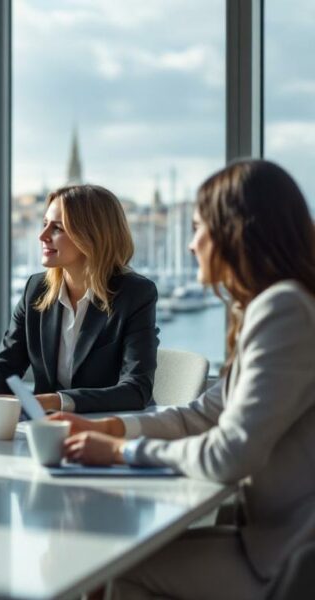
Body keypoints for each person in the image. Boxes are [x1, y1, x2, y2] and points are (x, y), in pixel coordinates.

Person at [52, 160, 315, 599]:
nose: (192, 245)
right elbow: (204, 414)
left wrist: (121, 451)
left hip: (289, 556)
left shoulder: (283, 309)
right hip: (272, 537)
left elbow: (230, 453)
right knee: (113, 564)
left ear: (234, 232)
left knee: (121, 572)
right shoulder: (274, 306)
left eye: (198, 228)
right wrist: (111, 427)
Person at [0, 184, 158, 420]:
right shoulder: (36, 290)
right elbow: (5, 365)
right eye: (44, 224)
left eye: (57, 228)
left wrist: (55, 400)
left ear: (91, 235)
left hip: (108, 429)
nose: (42, 236)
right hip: (45, 430)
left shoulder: (135, 294)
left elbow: (136, 390)